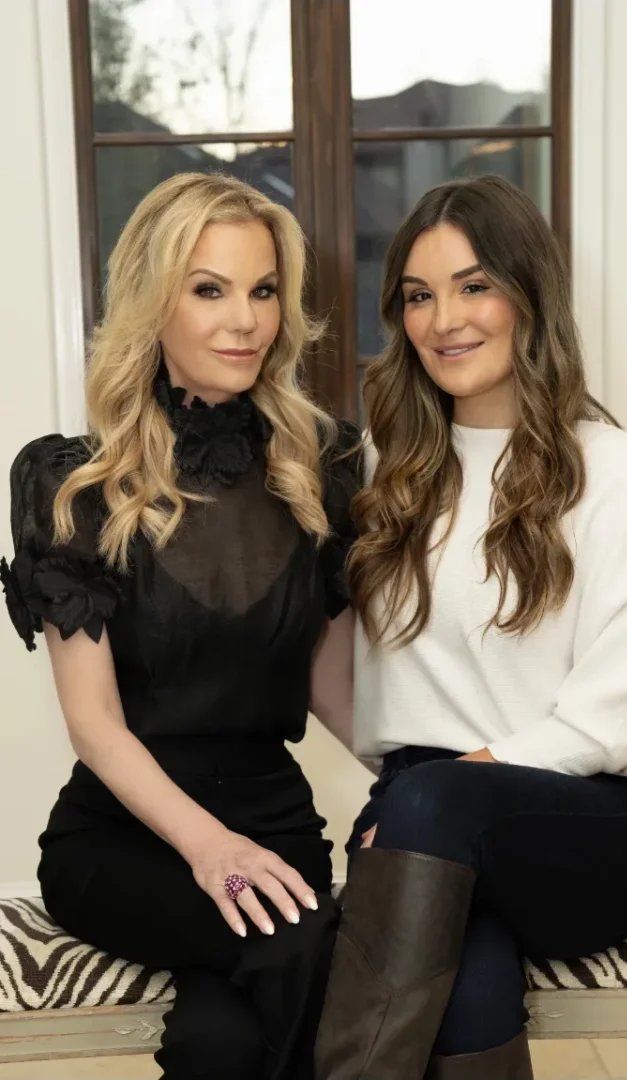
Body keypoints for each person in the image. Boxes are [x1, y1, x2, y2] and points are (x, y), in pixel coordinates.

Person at [314, 175, 627, 1080]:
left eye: (474, 285)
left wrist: (443, 786)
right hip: (429, 827)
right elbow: (354, 674)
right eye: (418, 295)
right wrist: (412, 789)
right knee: (466, 990)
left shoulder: (614, 470)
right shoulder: (389, 473)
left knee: (430, 800)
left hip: (585, 828)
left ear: (529, 295)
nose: (444, 318)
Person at [1, 172, 359, 1080]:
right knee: (301, 948)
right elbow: (95, 727)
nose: (244, 320)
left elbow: (326, 681)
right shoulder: (72, 482)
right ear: (154, 304)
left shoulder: (322, 467)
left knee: (219, 1043)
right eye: (209, 289)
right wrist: (210, 850)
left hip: (274, 820)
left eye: (263, 289)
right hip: (127, 837)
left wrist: (430, 782)